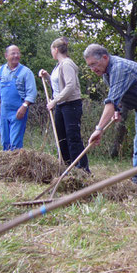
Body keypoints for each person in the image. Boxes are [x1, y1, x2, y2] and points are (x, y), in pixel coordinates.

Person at [83, 44, 137, 191]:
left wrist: (99, 129)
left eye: (94, 64)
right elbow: (120, 96)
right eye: (89, 66)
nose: (93, 69)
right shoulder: (107, 74)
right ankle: (136, 176)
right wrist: (119, 110)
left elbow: (110, 102)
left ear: (105, 57)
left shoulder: (119, 68)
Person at [38, 38, 89, 172]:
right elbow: (58, 86)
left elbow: (70, 86)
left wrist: (54, 101)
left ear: (56, 50)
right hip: (61, 105)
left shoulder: (67, 64)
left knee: (73, 137)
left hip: (70, 105)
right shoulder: (58, 66)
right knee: (62, 137)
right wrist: (48, 77)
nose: (51, 53)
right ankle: (66, 167)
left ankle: (81, 169)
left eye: (51, 50)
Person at [0, 45, 38, 151]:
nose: (16, 56)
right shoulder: (0, 71)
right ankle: (5, 164)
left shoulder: (26, 72)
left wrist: (24, 106)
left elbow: (31, 93)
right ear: (6, 55)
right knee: (5, 141)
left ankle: (16, 164)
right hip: (4, 111)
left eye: (18, 53)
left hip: (19, 111)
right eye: (13, 53)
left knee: (15, 142)